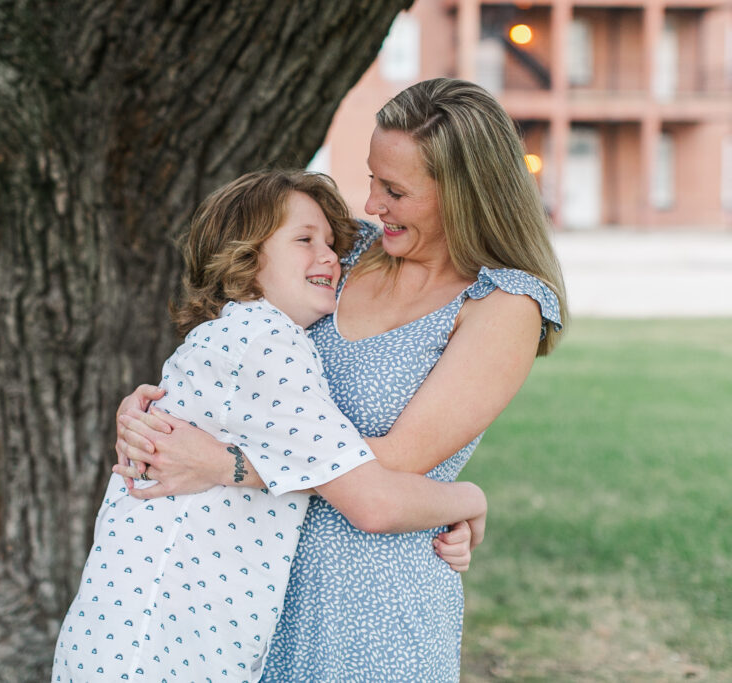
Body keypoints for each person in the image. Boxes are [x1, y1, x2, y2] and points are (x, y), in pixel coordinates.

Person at [114, 78, 568, 681]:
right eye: (373, 178)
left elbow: (384, 466)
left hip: (371, 607)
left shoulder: (504, 306)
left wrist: (219, 464)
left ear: (463, 195)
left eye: (396, 190)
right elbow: (231, 359)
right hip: (243, 581)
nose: (373, 203)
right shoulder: (344, 252)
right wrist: (151, 421)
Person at [52, 170, 489, 682]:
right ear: (244, 255)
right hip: (155, 646)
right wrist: (470, 500)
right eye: (304, 240)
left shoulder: (239, 335)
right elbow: (372, 500)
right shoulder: (267, 347)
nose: (330, 257)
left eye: (330, 242)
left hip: (151, 634)